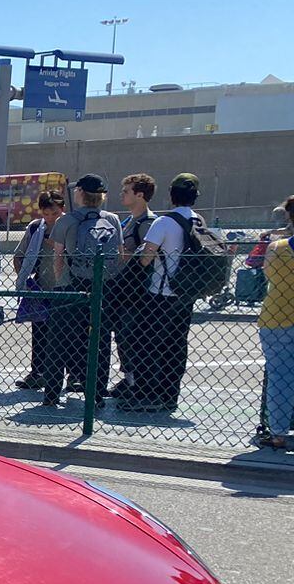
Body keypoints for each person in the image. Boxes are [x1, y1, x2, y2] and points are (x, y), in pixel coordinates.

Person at [43, 174, 123, 406]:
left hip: (70, 287)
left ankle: (52, 392)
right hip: (101, 288)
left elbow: (58, 256)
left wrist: (61, 282)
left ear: (79, 193)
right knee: (99, 342)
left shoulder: (66, 221)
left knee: (59, 342)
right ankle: (96, 393)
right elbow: (118, 254)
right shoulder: (113, 220)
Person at [126, 173, 203, 413]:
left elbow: (146, 259)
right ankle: (170, 395)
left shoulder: (164, 222)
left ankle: (148, 394)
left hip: (160, 293)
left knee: (148, 345)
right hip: (185, 294)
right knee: (176, 346)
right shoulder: (199, 221)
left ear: (171, 195)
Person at [109, 174, 159, 403]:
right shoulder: (128, 221)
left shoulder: (148, 223)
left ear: (140, 195)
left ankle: (136, 383)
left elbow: (146, 257)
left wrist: (120, 254)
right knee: (122, 336)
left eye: (126, 191)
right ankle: (128, 379)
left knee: (132, 337)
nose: (122, 194)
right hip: (123, 290)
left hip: (138, 293)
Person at [11, 191, 65, 390]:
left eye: (55, 213)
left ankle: (72, 374)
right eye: (47, 214)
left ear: (62, 210)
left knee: (66, 335)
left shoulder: (69, 227)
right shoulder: (35, 228)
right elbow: (19, 256)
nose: (51, 218)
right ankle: (38, 372)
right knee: (40, 333)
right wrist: (25, 281)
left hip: (65, 289)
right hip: (41, 288)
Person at [254, 197, 294, 449]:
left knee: (280, 376)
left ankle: (278, 432)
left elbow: (268, 273)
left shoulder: (277, 248)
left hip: (276, 315)